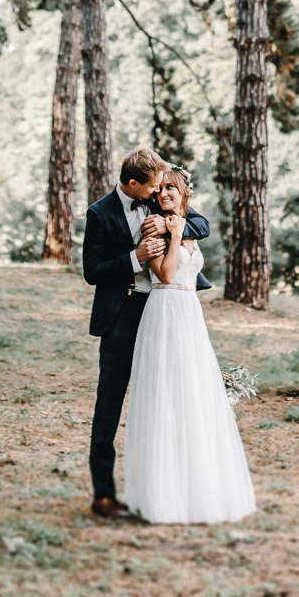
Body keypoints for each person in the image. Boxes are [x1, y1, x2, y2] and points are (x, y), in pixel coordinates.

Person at [83, 146, 211, 518]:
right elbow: (92, 270)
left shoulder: (158, 202)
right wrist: (133, 259)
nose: (160, 193)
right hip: (121, 314)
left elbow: (200, 222)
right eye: (153, 187)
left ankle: (170, 485)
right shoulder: (99, 213)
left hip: (163, 311)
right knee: (109, 403)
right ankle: (104, 495)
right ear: (134, 183)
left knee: (168, 399)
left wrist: (175, 225)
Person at [123, 166, 255, 524]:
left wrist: (180, 228)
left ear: (184, 194)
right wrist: (176, 231)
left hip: (189, 313)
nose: (164, 194)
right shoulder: (154, 226)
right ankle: (162, 494)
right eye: (160, 189)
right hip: (164, 308)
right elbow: (165, 274)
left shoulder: (187, 225)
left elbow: (195, 252)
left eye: (172, 189)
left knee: (193, 393)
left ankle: (198, 486)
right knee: (166, 393)